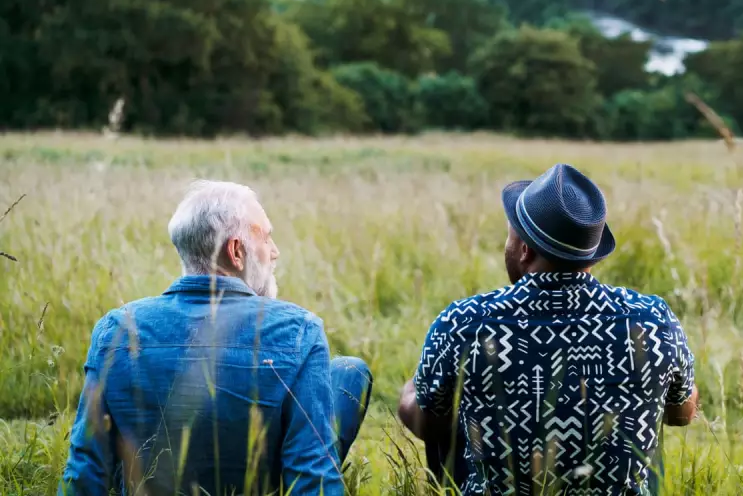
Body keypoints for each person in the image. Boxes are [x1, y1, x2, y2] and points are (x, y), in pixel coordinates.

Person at [398, 164, 698, 495]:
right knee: (641, 426)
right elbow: (681, 413)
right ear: (591, 253)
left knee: (447, 408)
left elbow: (425, 422)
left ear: (525, 250)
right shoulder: (653, 319)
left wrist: (413, 389)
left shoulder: (465, 322)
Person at [60, 180, 372, 496]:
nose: (275, 251)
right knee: (348, 372)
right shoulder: (300, 329)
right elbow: (313, 476)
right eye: (266, 237)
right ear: (236, 252)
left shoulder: (116, 328)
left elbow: (86, 470)